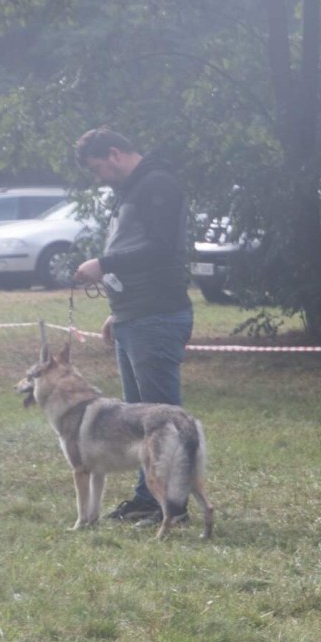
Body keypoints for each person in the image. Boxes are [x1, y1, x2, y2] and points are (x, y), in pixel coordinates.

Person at [73, 127, 193, 526]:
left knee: (164, 422)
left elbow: (160, 249)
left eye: (98, 169)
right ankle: (148, 499)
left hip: (156, 317)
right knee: (140, 419)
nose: (99, 178)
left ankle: (173, 509)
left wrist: (104, 265)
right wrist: (119, 310)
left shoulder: (158, 184)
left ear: (114, 153)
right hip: (135, 315)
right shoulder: (134, 188)